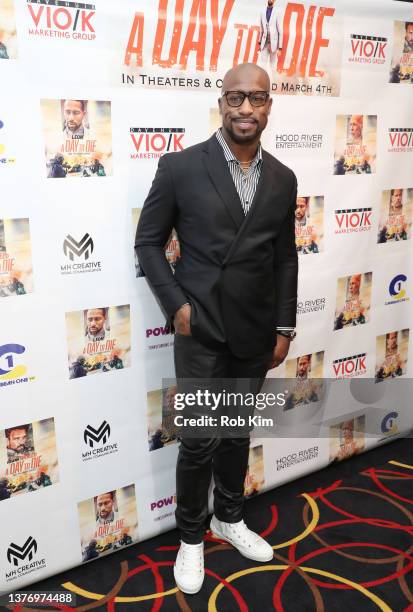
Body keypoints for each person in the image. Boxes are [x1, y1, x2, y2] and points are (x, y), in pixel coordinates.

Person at [135, 62, 298, 595]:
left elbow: (284, 260)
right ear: (221, 103)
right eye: (235, 98)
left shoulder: (282, 176)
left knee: (236, 433)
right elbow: (148, 243)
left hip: (255, 331)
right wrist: (177, 306)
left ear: (270, 105)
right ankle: (190, 537)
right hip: (201, 330)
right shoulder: (181, 166)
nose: (245, 108)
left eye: (256, 98)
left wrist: (285, 327)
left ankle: (229, 517)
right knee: (199, 442)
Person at [258, 0, 283, 74]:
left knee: (273, 65)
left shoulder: (277, 12)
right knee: (262, 65)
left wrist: (280, 48)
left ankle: (273, 82)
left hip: (274, 44)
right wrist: (259, 43)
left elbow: (280, 31)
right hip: (264, 43)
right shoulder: (262, 12)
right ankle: (263, 82)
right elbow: (261, 29)